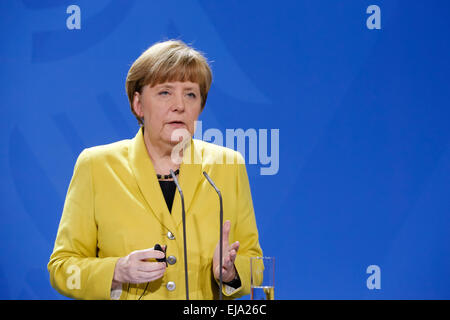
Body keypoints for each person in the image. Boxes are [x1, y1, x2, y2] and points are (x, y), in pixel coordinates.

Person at [48, 40, 263, 300]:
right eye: (165, 92)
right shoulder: (96, 166)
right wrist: (116, 270)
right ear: (138, 104)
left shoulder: (228, 166)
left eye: (190, 94)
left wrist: (231, 274)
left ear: (200, 107)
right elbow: (62, 268)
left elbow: (255, 264)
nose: (179, 105)